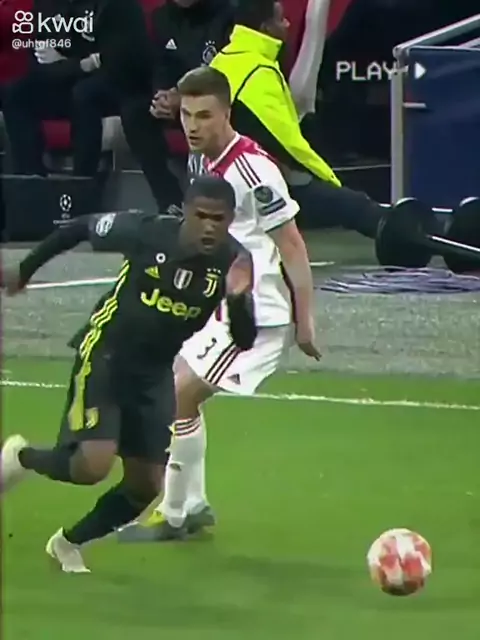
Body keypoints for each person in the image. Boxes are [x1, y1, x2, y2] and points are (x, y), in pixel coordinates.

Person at [0, 174, 257, 573]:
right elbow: (82, 227)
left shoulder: (235, 263)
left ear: (230, 220)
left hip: (154, 374)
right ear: (185, 212)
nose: (209, 226)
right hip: (107, 353)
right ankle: (21, 457)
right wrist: (25, 269)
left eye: (218, 219)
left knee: (146, 485)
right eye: (201, 216)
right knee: (92, 466)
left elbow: (243, 338)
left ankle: (67, 543)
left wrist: (238, 299)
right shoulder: (147, 232)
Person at [117, 65, 320, 543]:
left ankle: (172, 513)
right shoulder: (204, 163)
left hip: (255, 313)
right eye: (186, 115)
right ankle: (193, 505)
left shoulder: (253, 171)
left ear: (226, 113)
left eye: (204, 116)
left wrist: (306, 320)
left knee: (176, 395)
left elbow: (291, 244)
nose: (192, 126)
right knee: (176, 393)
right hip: (222, 304)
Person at [208, 0, 384, 236]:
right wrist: (331, 181)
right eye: (280, 19)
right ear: (266, 27)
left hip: (227, 175)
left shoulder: (225, 57)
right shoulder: (257, 71)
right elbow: (289, 146)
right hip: (253, 187)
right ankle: (409, 233)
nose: (287, 24)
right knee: (355, 206)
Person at [120, 0, 234, 210]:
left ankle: (216, 203)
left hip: (217, 100)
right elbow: (162, 64)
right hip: (177, 101)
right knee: (134, 114)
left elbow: (227, 75)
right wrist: (162, 95)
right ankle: (170, 203)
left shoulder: (229, 14)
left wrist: (183, 97)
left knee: (204, 115)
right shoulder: (162, 17)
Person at [2, 0, 118, 177]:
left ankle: (82, 181)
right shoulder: (46, 5)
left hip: (101, 88)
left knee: (85, 94)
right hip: (62, 83)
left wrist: (66, 63)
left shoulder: (109, 6)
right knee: (14, 92)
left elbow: (110, 59)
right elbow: (39, 60)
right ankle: (31, 178)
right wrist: (77, 65)